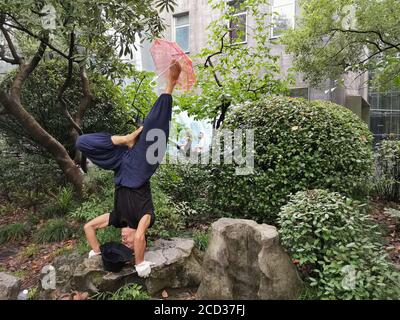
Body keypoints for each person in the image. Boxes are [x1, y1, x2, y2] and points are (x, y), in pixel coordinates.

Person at [75, 60, 182, 278]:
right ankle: (171, 83)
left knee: (81, 143)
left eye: (123, 240)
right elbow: (141, 235)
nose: (125, 239)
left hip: (120, 165)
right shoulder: (146, 218)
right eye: (129, 241)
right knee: (155, 127)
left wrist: (96, 252)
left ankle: (126, 139)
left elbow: (89, 227)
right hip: (140, 167)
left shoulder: (117, 218)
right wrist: (140, 263)